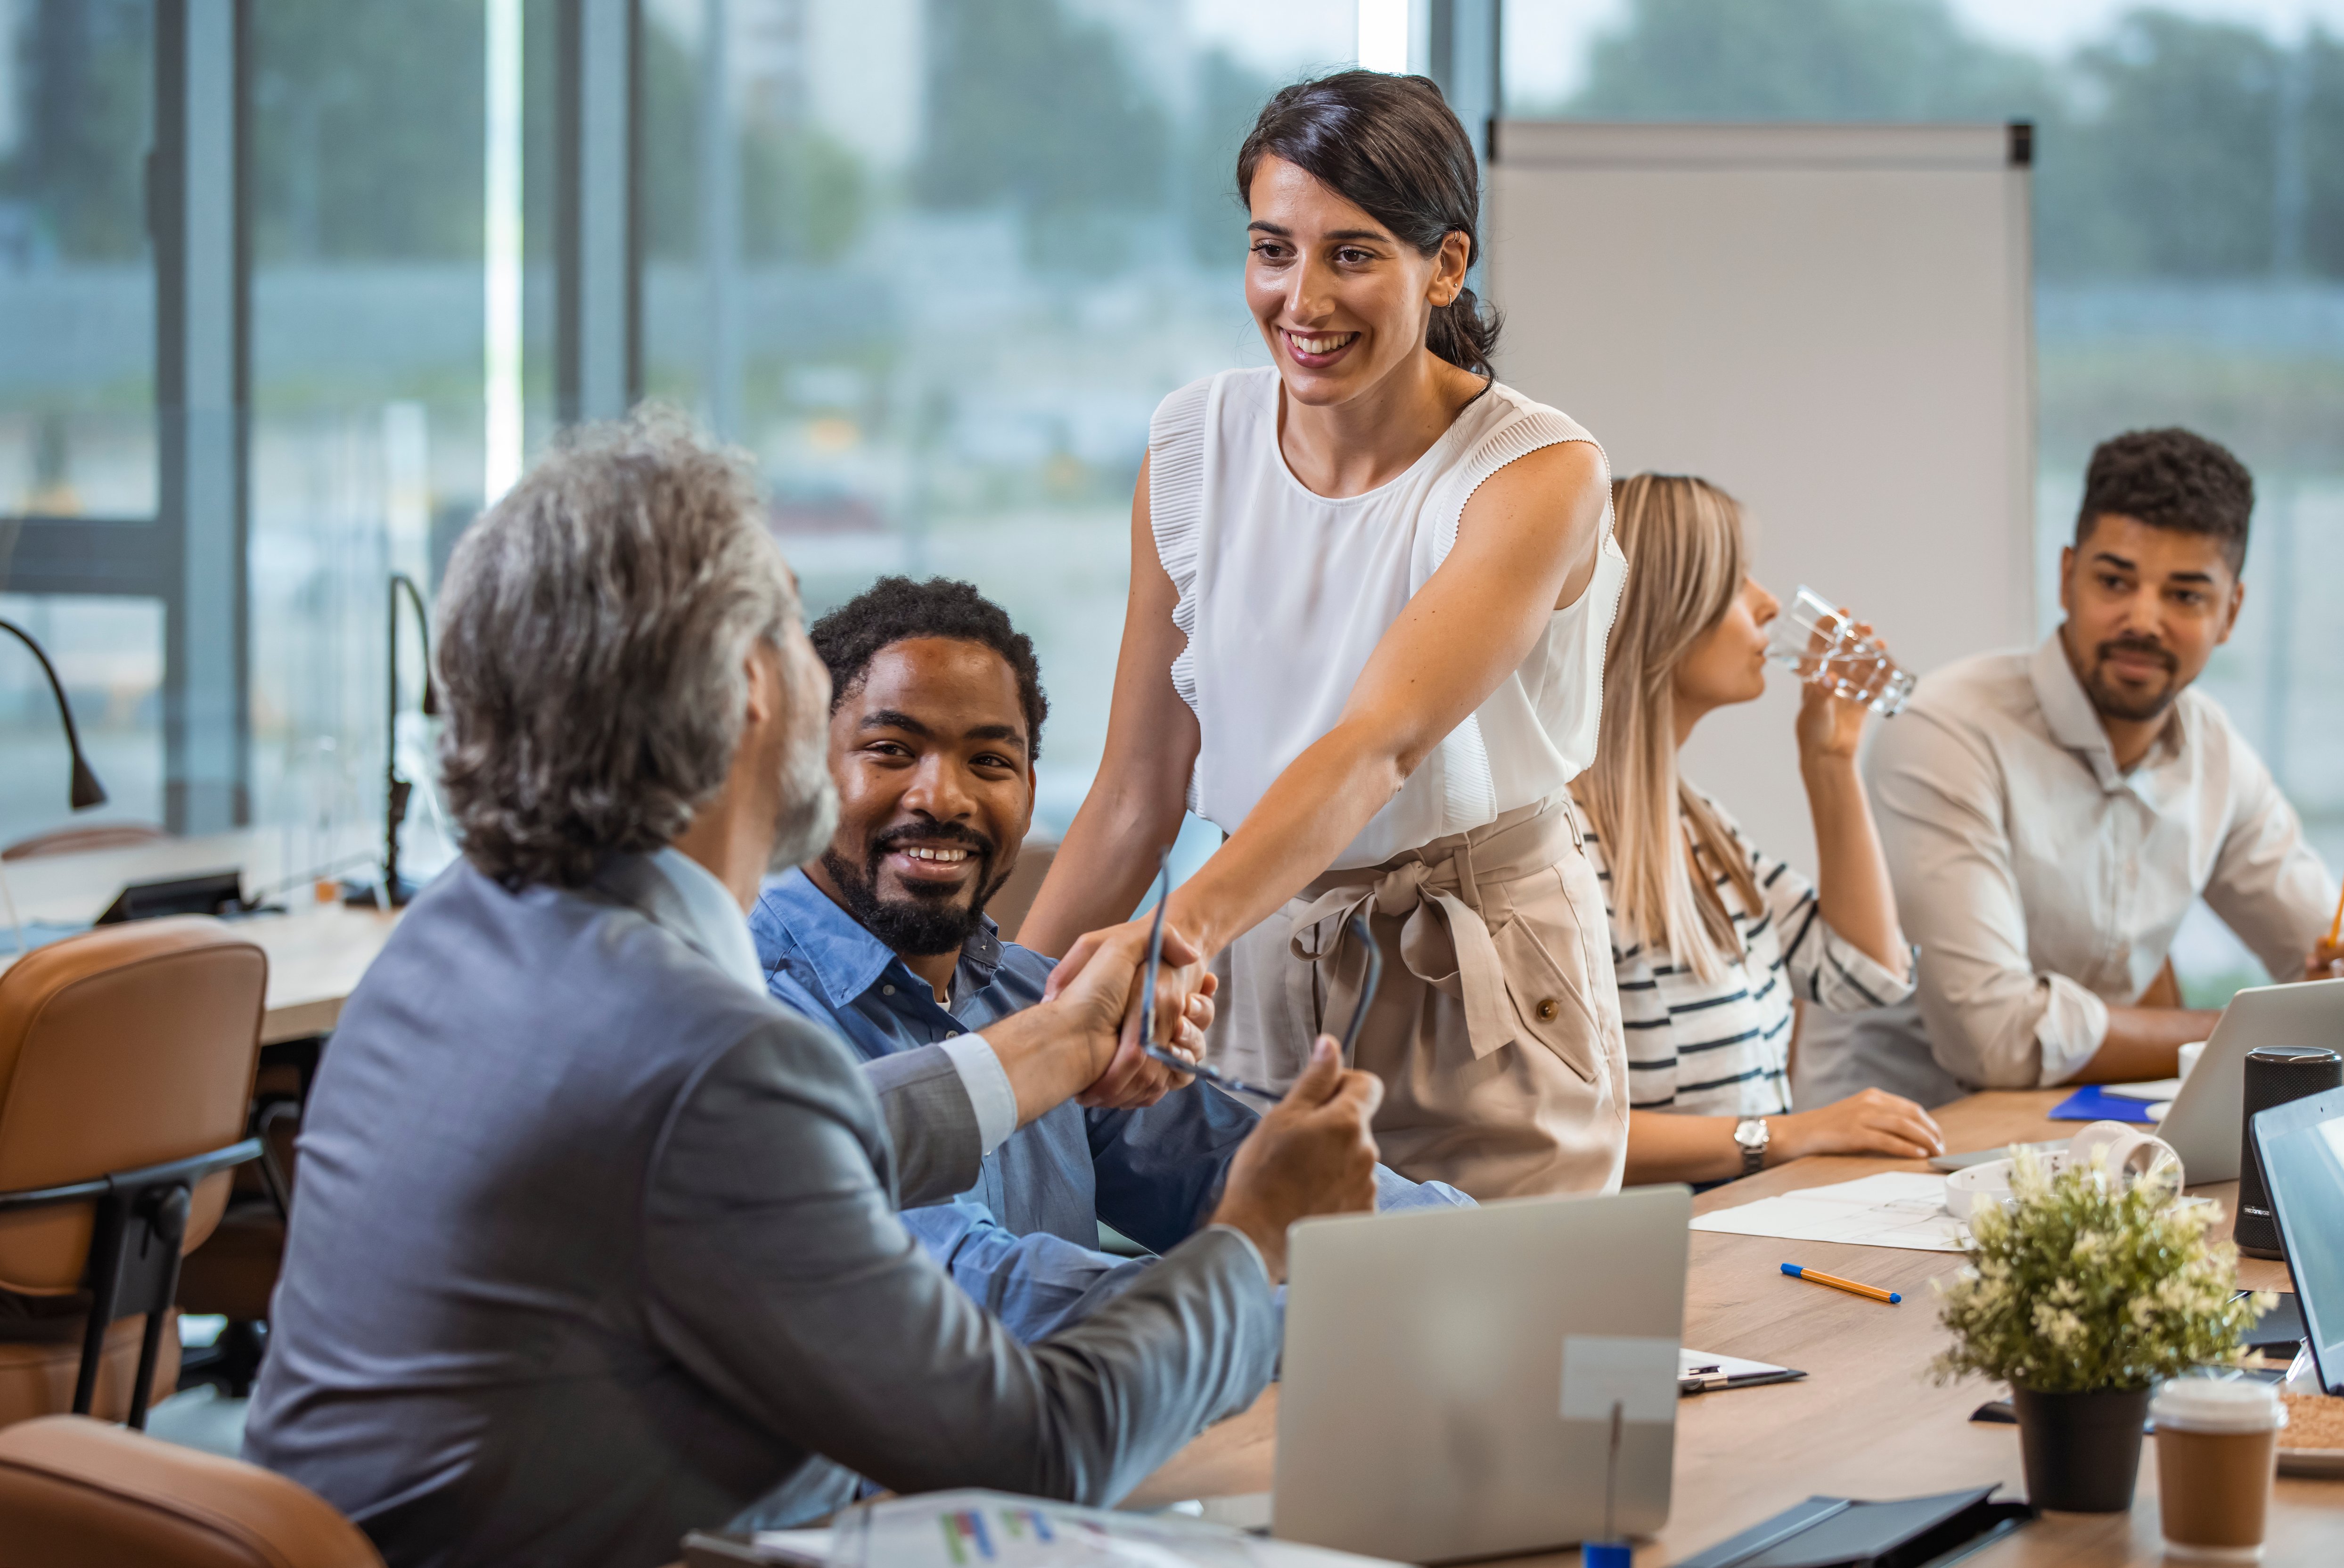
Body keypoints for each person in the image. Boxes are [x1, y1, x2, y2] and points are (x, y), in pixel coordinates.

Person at [242, 412, 1385, 1568]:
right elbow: (1034, 1442)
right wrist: (1254, 1240)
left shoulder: (456, 933)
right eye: (796, 631)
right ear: (749, 686)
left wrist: (1054, 1042)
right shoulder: (706, 1056)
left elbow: (775, 1141)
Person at [1018, 71, 1629, 1200]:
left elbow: (1378, 742)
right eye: (1271, 248)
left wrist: (1177, 932)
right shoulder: (1195, 442)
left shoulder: (1536, 472)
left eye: (1351, 254)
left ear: (1443, 265)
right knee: (1277, 1346)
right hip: (1254, 950)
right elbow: (1135, 792)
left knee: (1493, 1353)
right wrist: (1000, 1019)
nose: (1301, 299)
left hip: (1474, 972)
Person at [752, 576, 1472, 1341]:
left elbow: (1225, 1164)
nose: (944, 798)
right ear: (802, 773)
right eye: (891, 751)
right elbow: (975, 1294)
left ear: (1030, 791)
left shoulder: (1032, 996)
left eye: (989, 763)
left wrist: (1478, 1255)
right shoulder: (747, 1014)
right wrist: (1301, 1306)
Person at [1799, 428, 2344, 1108]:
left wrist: (2333, 983)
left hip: (2073, 1139)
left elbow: (2324, 962)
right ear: (2066, 576)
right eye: (2115, 582)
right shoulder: (1946, 727)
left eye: (2184, 596)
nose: (2142, 620)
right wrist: (2239, 1037)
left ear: (2229, 612)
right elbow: (1994, 1038)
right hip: (1880, 1160)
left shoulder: (2215, 753)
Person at [1567, 475, 1942, 1185]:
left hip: (1742, 1229)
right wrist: (1785, 1135)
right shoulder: (1556, 849)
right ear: (1665, 614)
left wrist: (1830, 763)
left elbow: (1866, 974)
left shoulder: (1701, 827)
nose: (1769, 603)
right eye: (1736, 583)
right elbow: (1560, 1132)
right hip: (1660, 1252)